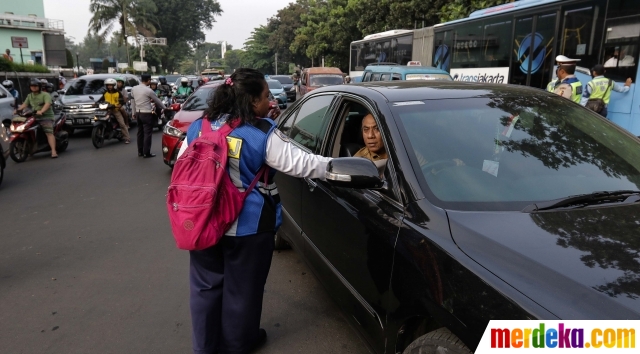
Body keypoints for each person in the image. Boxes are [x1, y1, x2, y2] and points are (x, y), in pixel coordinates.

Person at [176, 68, 331, 354]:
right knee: (242, 292)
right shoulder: (260, 132)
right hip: (247, 226)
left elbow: (182, 162)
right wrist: (334, 166)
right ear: (250, 100)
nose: (270, 102)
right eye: (265, 96)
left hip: (202, 222)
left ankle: (205, 347)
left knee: (205, 289)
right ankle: (238, 344)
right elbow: (302, 164)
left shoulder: (201, 126)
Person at [14, 78, 57, 158]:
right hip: (34, 117)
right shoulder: (30, 96)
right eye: (32, 86)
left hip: (46, 117)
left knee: (49, 133)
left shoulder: (45, 94)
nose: (33, 87)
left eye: (35, 86)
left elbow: (47, 104)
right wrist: (18, 110)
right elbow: (25, 104)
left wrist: (42, 111)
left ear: (39, 86)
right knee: (24, 128)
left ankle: (53, 151)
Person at [131, 74, 165, 157]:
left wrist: (133, 113)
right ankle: (146, 152)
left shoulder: (134, 89)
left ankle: (140, 152)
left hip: (138, 113)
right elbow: (157, 101)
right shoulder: (148, 90)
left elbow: (132, 101)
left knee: (140, 133)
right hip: (146, 113)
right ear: (149, 80)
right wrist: (166, 108)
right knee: (147, 133)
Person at [97, 78, 130, 144]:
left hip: (115, 110)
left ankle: (127, 138)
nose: (109, 86)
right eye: (108, 85)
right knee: (98, 119)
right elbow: (101, 100)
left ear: (114, 85)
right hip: (107, 110)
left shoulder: (118, 93)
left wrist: (119, 105)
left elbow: (122, 101)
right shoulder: (105, 93)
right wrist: (95, 103)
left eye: (111, 85)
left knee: (122, 123)